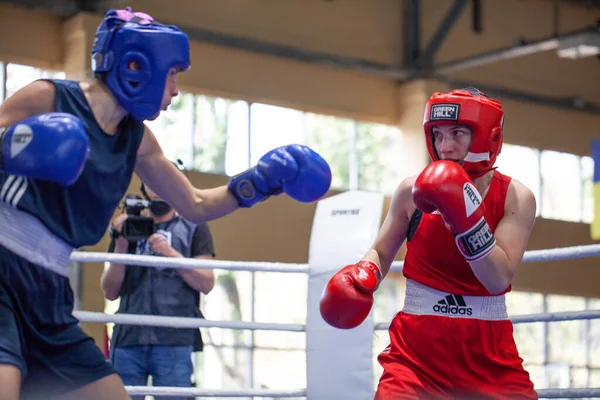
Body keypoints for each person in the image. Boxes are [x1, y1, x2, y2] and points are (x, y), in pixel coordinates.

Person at [0, 7, 331, 400]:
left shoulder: (136, 141)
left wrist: (259, 184)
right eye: (173, 73)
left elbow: (194, 204)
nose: (175, 90)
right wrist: (17, 145)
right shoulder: (49, 97)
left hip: (50, 290)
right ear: (137, 65)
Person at [319, 88, 538, 399]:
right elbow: (381, 252)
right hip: (415, 353)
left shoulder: (517, 198)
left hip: (487, 353)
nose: (445, 146)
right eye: (438, 134)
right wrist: (366, 272)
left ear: (488, 137)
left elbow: (497, 278)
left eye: (458, 133)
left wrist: (465, 219)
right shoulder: (412, 191)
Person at [102, 183, 215, 400]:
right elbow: (109, 291)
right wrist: (121, 245)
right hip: (128, 337)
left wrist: (170, 253)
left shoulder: (194, 226)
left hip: (174, 337)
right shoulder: (128, 227)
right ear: (144, 189)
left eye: (162, 183)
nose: (158, 189)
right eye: (152, 184)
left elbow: (207, 283)